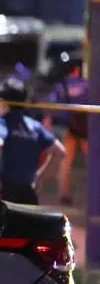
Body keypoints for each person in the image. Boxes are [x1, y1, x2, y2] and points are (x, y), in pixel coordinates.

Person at [0, 78, 66, 205]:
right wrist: (40, 177)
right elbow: (60, 152)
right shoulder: (35, 126)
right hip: (28, 192)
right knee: (28, 223)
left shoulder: (1, 122)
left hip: (5, 190)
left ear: (3, 103)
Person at [44, 58, 87, 204]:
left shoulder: (63, 84)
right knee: (93, 162)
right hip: (86, 129)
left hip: (72, 127)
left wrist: (48, 120)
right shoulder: (89, 83)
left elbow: (51, 103)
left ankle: (64, 194)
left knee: (65, 163)